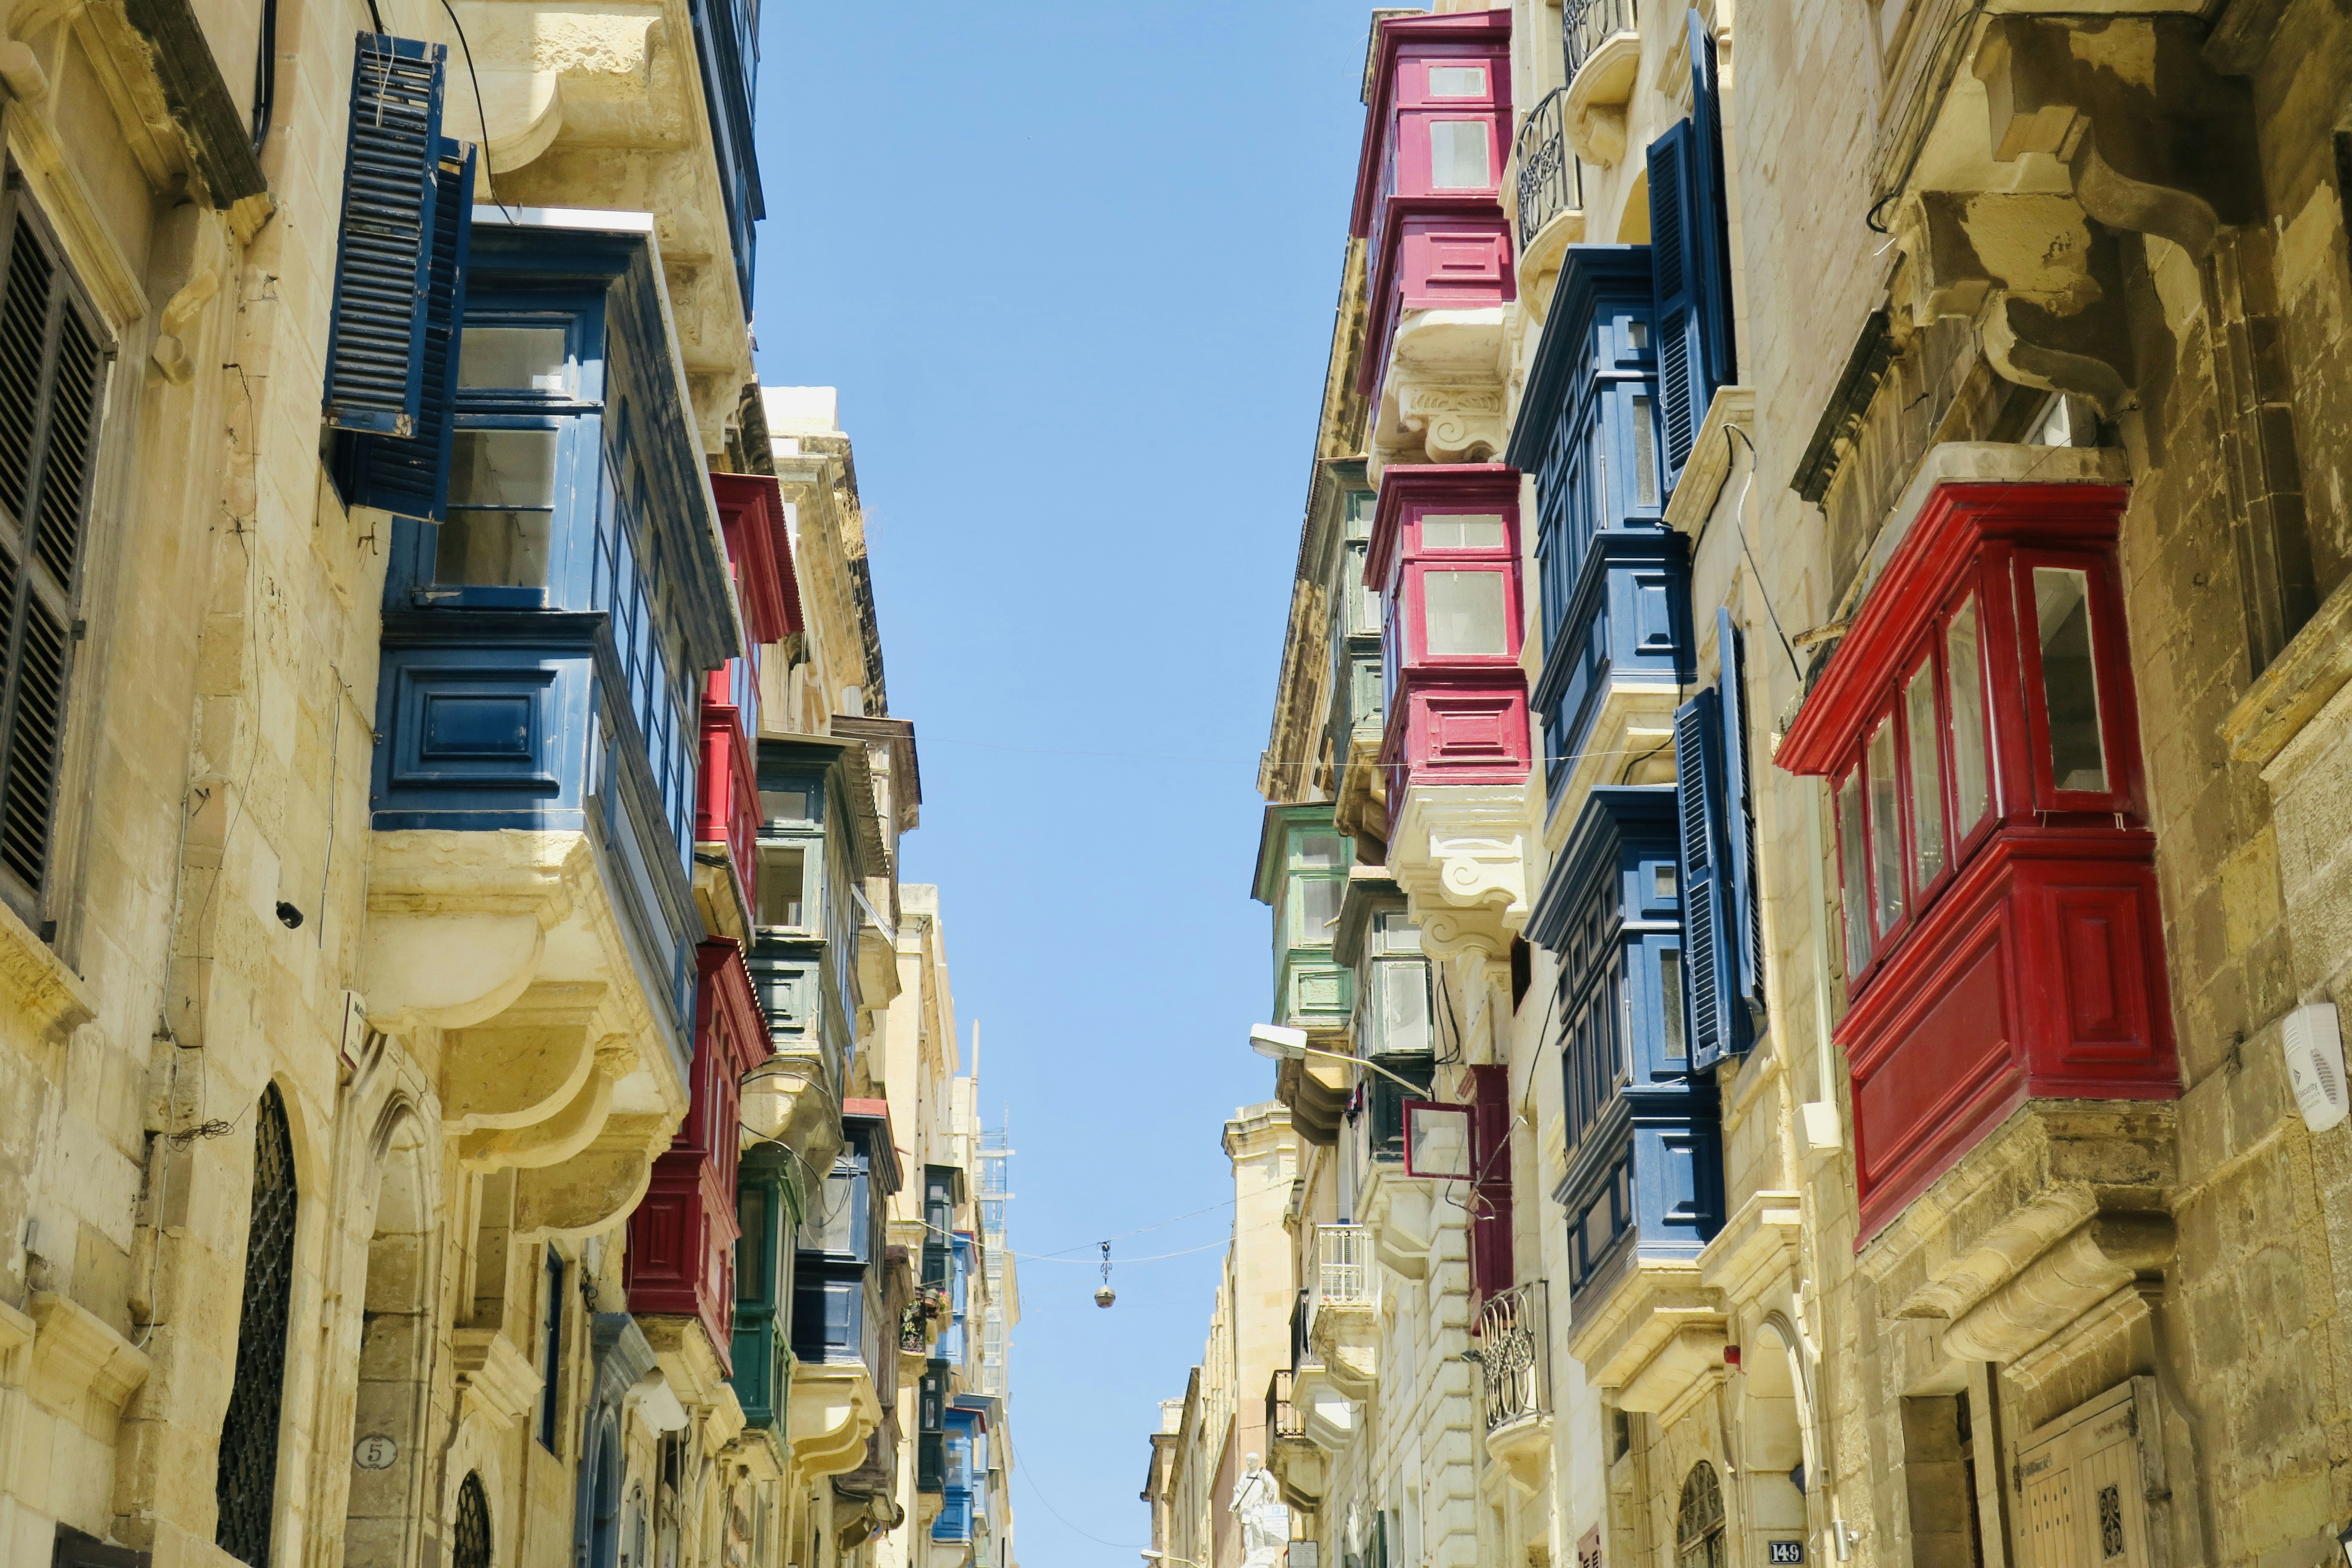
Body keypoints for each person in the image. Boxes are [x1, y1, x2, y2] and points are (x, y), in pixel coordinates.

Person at [1231, 1453, 1290, 1568]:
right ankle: (1251, 1555)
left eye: (1251, 1460)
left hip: (1259, 1507)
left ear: (1257, 1461)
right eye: (1248, 1460)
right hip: (1247, 1508)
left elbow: (1272, 1487)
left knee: (1256, 1523)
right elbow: (1239, 1491)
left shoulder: (1264, 1474)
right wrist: (1235, 1503)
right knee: (1248, 1531)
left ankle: (1263, 1551)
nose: (1249, 1463)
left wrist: (1265, 1480)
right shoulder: (1244, 1475)